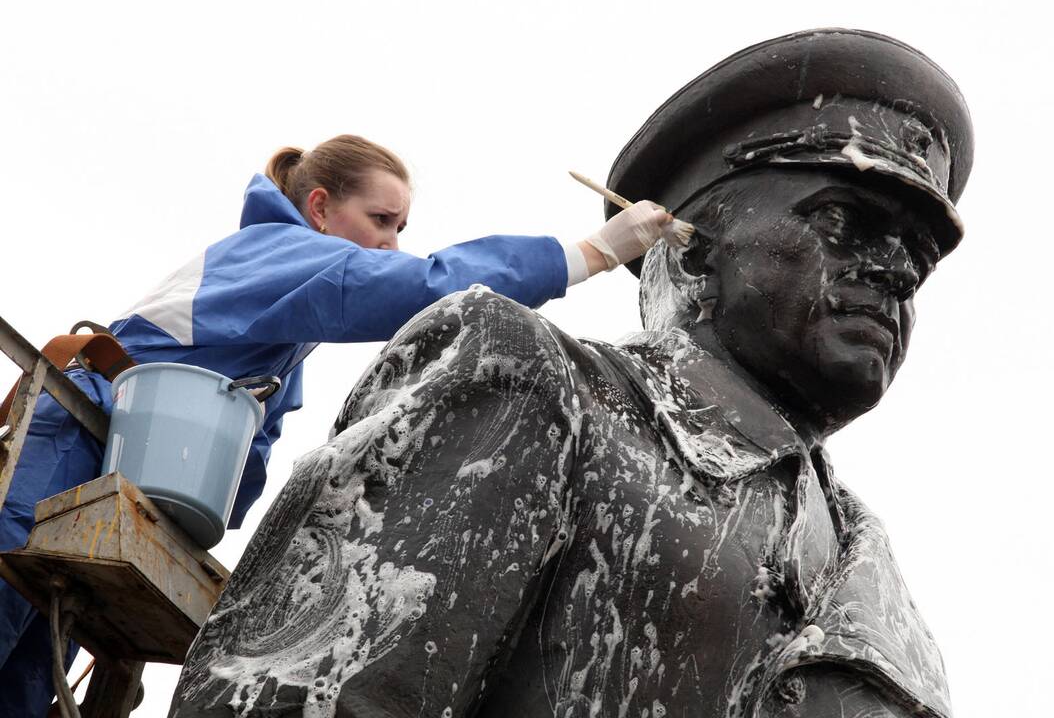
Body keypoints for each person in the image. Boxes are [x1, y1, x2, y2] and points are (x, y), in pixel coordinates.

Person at [171, 29, 973, 718]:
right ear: (692, 245)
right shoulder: (532, 383)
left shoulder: (882, 583)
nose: (897, 269)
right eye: (842, 219)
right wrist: (582, 255)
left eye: (919, 255)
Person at [0, 133, 674, 716]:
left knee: (28, 681)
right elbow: (418, 286)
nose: (389, 242)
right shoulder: (271, 256)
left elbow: (236, 486)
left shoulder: (282, 348)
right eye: (380, 219)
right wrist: (588, 252)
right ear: (320, 207)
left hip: (115, 452)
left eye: (401, 229)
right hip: (76, 428)